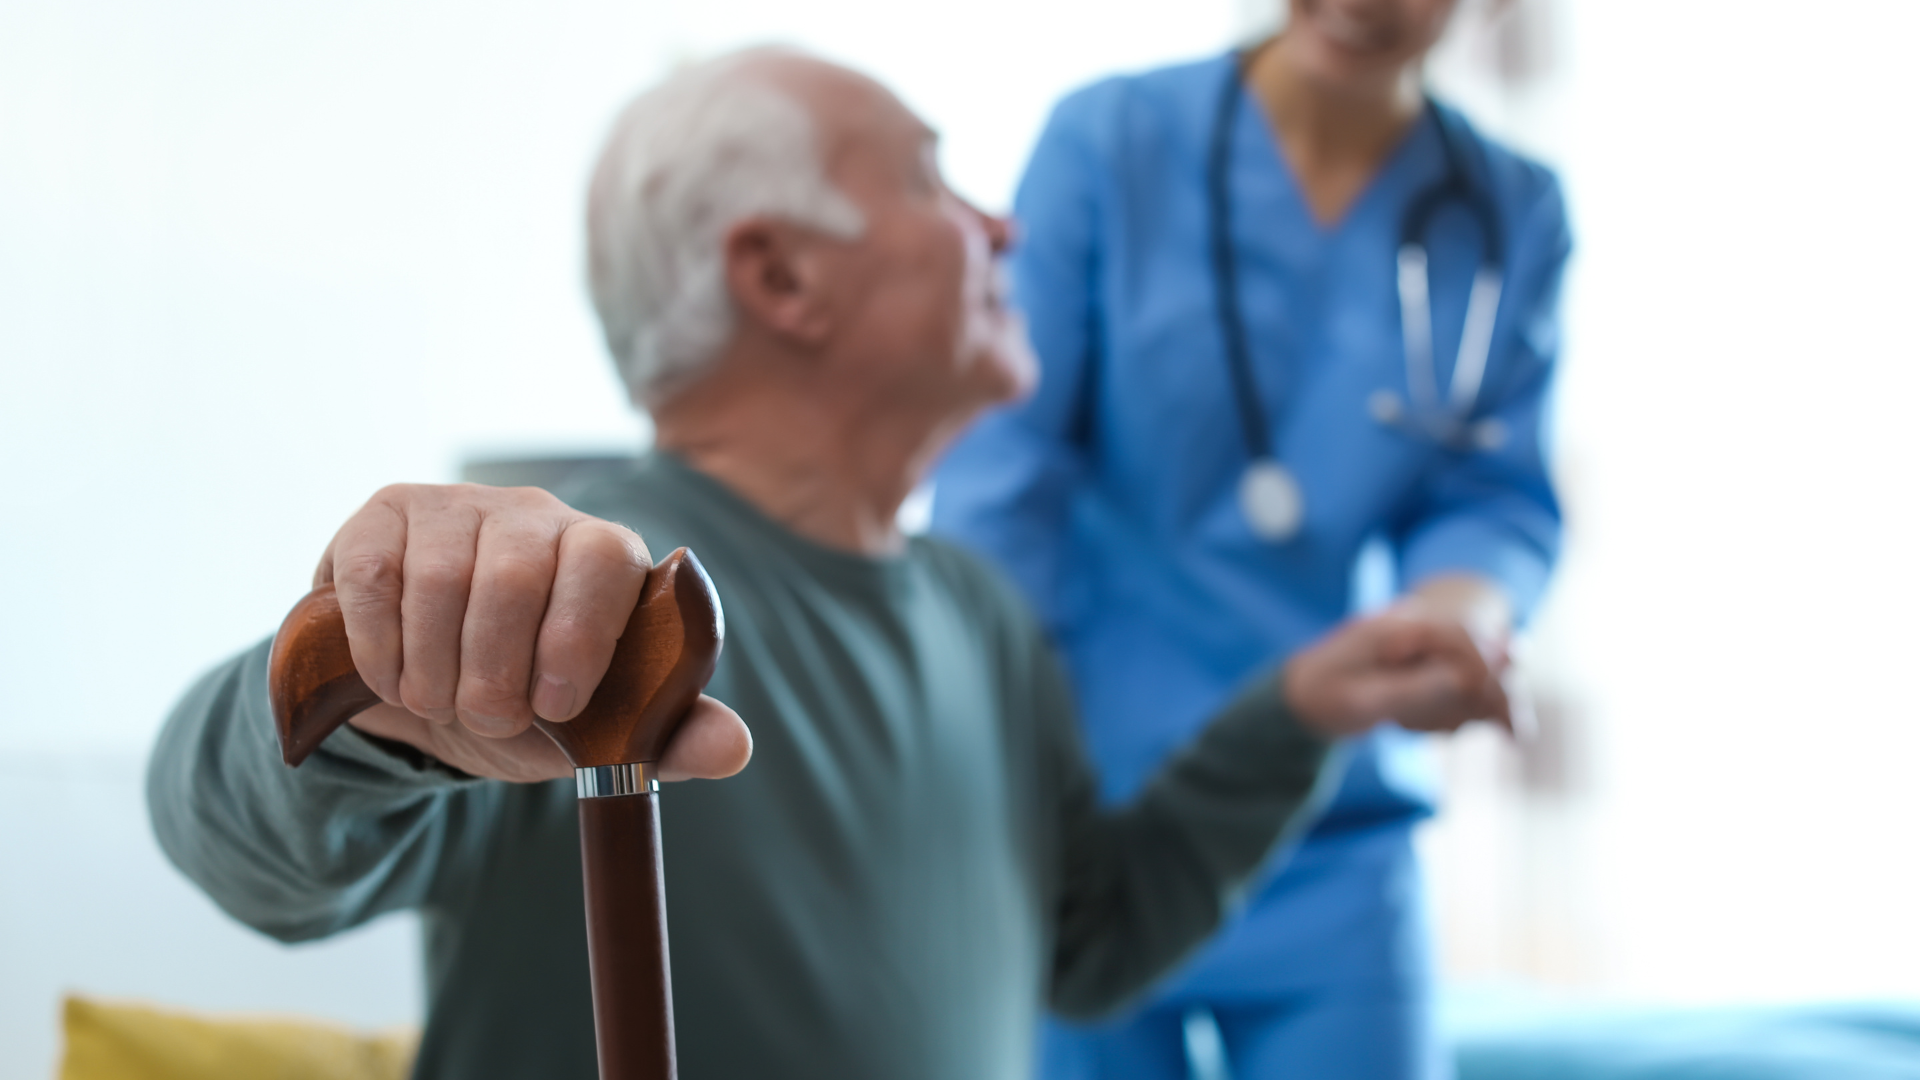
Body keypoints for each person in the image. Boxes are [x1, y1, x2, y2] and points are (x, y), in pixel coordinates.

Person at [148, 48, 1511, 1080]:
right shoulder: (566, 593)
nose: (1006, 230)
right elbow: (232, 840)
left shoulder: (976, 612)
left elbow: (1088, 945)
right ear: (782, 278)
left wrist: (1299, 715)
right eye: (934, 179)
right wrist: (369, 680)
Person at [931, 2, 1570, 1078]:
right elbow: (1004, 475)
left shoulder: (1508, 208)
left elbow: (1493, 493)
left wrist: (1461, 611)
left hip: (1335, 816)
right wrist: (994, 753)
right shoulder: (1112, 141)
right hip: (1091, 810)